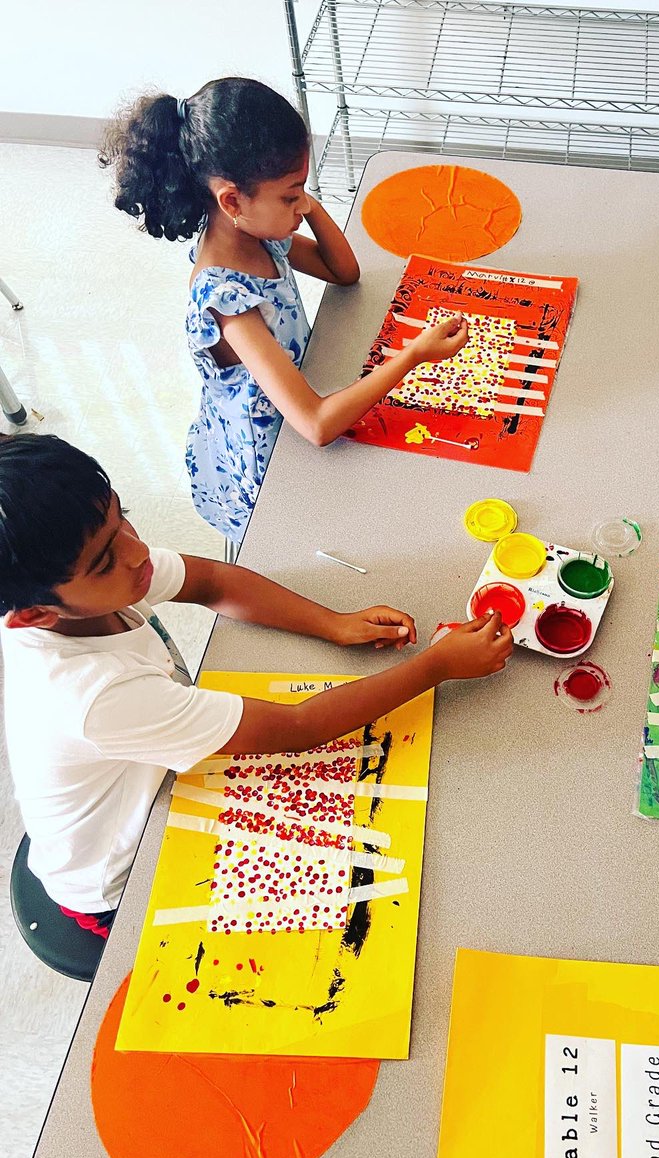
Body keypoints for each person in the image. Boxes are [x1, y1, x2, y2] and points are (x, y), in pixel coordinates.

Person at [0, 435, 511, 933]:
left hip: (147, 779)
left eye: (121, 516)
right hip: (118, 879)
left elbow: (212, 583)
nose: (138, 553)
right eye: (106, 559)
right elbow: (299, 725)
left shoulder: (95, 573)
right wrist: (436, 667)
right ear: (36, 614)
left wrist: (333, 623)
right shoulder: (94, 695)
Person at [99, 77, 468, 543]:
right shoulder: (228, 304)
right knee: (288, 548)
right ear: (232, 200)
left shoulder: (256, 233)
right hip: (266, 458)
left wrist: (304, 206)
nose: (300, 205)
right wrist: (413, 355)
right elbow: (315, 424)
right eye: (290, 195)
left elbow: (344, 271)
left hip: (292, 403)